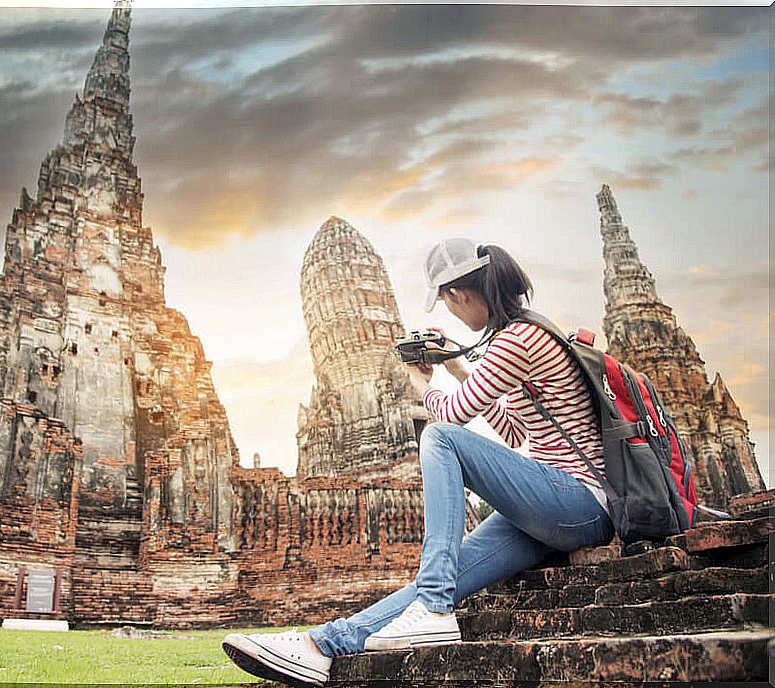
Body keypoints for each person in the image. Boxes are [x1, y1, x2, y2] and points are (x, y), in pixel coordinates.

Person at [222, 238, 615, 687]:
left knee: (440, 437)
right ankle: (322, 645)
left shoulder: (518, 338)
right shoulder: (526, 334)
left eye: (448, 304)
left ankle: (432, 610)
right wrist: (456, 369)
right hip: (554, 511)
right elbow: (514, 432)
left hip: (580, 501)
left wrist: (419, 384)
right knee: (446, 577)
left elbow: (450, 417)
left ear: (458, 295)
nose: (452, 314)